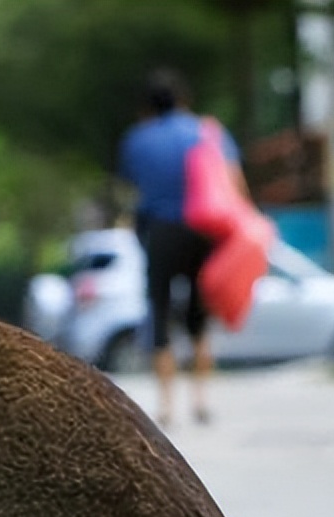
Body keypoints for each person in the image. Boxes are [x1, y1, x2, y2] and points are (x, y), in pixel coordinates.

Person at [118, 69, 244, 427]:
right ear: (183, 99)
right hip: (202, 229)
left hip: (159, 232)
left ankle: (165, 406)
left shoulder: (136, 139)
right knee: (198, 318)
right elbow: (232, 180)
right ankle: (201, 400)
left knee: (158, 314)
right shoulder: (205, 132)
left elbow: (130, 185)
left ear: (147, 105)